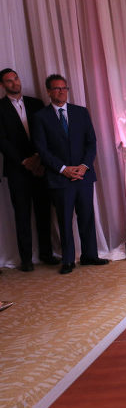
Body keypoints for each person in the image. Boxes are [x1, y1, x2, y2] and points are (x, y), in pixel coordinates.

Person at [31, 74, 108, 274]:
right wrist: (63, 169)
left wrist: (84, 166)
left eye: (64, 88)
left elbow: (91, 142)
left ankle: (90, 255)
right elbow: (42, 149)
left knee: (87, 216)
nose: (62, 92)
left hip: (83, 175)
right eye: (57, 88)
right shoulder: (40, 117)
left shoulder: (81, 112)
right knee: (64, 220)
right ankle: (68, 260)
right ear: (49, 91)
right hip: (59, 178)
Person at [0, 68, 55, 271]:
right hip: (17, 169)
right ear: (2, 85)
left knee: (43, 211)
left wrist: (38, 158)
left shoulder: (36, 103)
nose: (14, 83)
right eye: (9, 81)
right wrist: (24, 161)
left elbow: (46, 132)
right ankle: (26, 259)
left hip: (40, 166)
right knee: (22, 215)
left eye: (16, 78)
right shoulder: (0, 108)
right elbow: (2, 141)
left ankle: (46, 254)